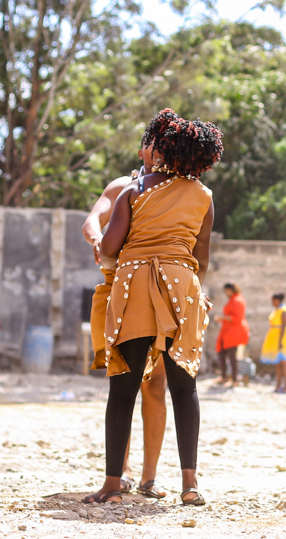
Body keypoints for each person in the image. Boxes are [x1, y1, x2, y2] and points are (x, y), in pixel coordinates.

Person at [84, 109, 221, 507]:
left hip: (136, 286)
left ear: (162, 151)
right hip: (184, 287)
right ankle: (190, 484)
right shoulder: (205, 197)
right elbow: (202, 256)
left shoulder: (134, 190)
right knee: (184, 387)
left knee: (123, 388)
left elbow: (109, 247)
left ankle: (112, 484)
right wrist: (192, 286)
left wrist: (106, 247)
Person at [215, 283, 249, 386]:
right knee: (221, 353)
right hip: (227, 331)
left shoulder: (237, 301)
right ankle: (224, 376)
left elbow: (236, 318)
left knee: (232, 356)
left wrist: (222, 318)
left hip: (234, 331)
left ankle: (235, 379)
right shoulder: (233, 300)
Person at [261, 292, 286, 393]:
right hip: (274, 337)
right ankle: (279, 384)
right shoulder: (276, 310)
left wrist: (280, 341)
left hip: (282, 337)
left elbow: (284, 326)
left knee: (284, 361)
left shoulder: (283, 311)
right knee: (278, 363)